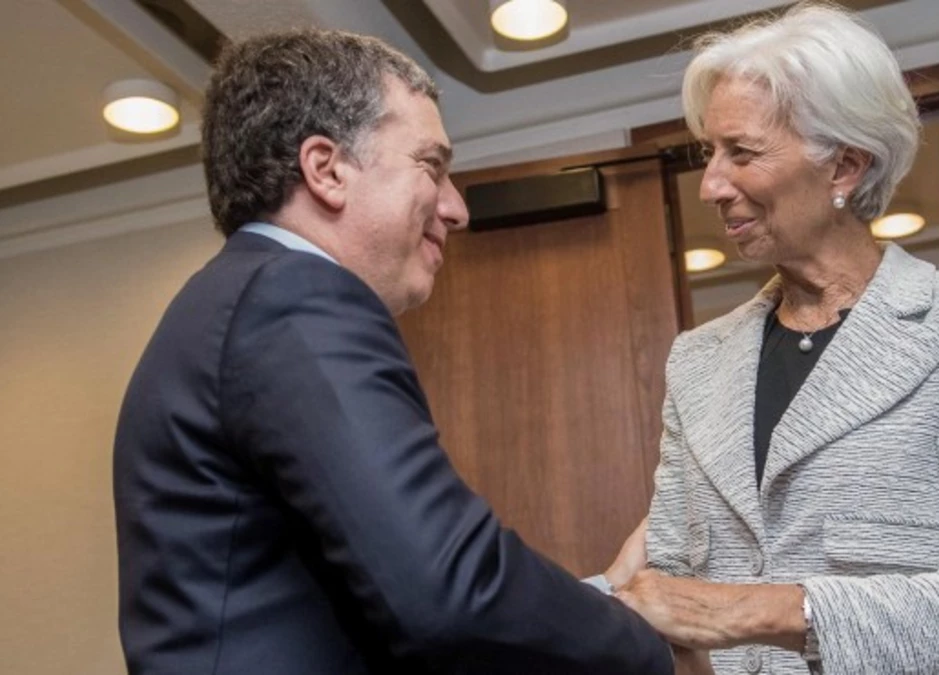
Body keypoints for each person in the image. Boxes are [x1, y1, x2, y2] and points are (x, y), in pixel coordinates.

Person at [113, 29, 688, 674]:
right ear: (327, 169)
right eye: (432, 166)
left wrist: (604, 600)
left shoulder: (241, 298)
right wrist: (647, 647)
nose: (456, 208)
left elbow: (383, 607)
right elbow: (449, 593)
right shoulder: (293, 295)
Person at [614, 3, 939, 674]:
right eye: (709, 153)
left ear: (845, 167)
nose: (710, 185)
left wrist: (752, 610)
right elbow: (667, 593)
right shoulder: (697, 361)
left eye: (742, 152)